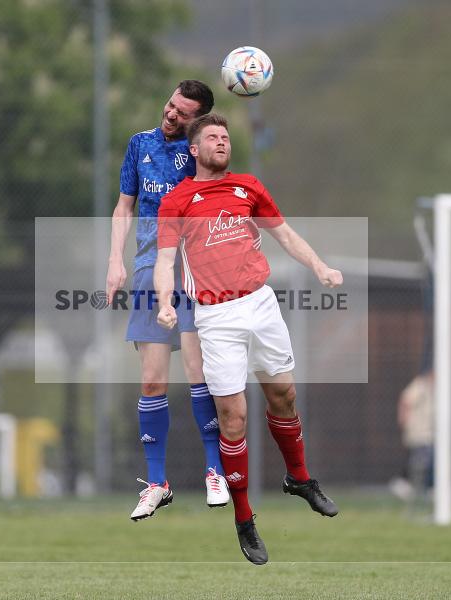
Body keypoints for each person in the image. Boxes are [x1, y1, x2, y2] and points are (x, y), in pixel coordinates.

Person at [153, 113, 342, 565]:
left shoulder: (248, 187)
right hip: (217, 316)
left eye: (224, 136)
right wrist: (164, 302)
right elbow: (164, 260)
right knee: (232, 415)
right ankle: (244, 519)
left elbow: (286, 235)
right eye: (212, 138)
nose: (221, 142)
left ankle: (299, 478)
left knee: (284, 394)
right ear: (194, 150)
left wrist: (320, 267)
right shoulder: (178, 200)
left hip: (260, 303)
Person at [106, 80, 230, 521]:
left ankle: (215, 472)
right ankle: (157, 484)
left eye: (182, 112)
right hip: (145, 271)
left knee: (199, 374)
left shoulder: (200, 156)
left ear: (198, 120)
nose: (171, 114)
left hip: (194, 275)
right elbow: (124, 206)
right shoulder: (139, 145)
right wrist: (114, 262)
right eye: (170, 105)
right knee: (153, 382)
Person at [390, 370, 434, 506]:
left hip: (430, 433)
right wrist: (403, 420)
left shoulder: (437, 388)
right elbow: (406, 401)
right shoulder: (420, 385)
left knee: (424, 459)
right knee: (422, 458)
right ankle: (404, 483)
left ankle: (422, 487)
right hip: (419, 432)